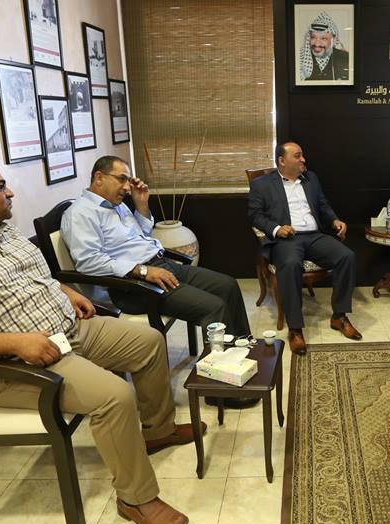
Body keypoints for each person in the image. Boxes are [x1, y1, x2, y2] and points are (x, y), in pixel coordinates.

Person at [0, 156, 195, 524]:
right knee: (114, 396)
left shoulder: (2, 232)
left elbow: (34, 278)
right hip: (13, 365)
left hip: (67, 333)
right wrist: (16, 342)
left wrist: (66, 292)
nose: (10, 193)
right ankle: (136, 498)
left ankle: (158, 431)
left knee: (147, 341)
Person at [61, 156, 256, 407]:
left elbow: (140, 235)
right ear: (99, 177)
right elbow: (89, 263)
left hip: (159, 264)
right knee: (213, 307)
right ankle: (218, 388)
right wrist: (143, 271)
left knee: (227, 285)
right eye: (121, 179)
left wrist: (142, 206)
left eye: (128, 180)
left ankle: (241, 357)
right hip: (132, 286)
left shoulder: (116, 205)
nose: (127, 187)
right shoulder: (80, 214)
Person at [247, 142, 360, 355]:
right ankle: (295, 329)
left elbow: (323, 205)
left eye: (302, 156)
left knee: (346, 256)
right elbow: (255, 216)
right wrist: (277, 229)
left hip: (314, 236)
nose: (303, 160)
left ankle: (339, 316)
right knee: (290, 264)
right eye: (298, 156)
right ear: (282, 161)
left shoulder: (311, 179)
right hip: (287, 239)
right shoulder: (262, 184)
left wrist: (334, 220)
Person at [299, 11, 350, 82]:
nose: (317, 44)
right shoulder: (300, 59)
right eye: (313, 37)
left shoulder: (346, 59)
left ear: (334, 40)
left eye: (323, 38)